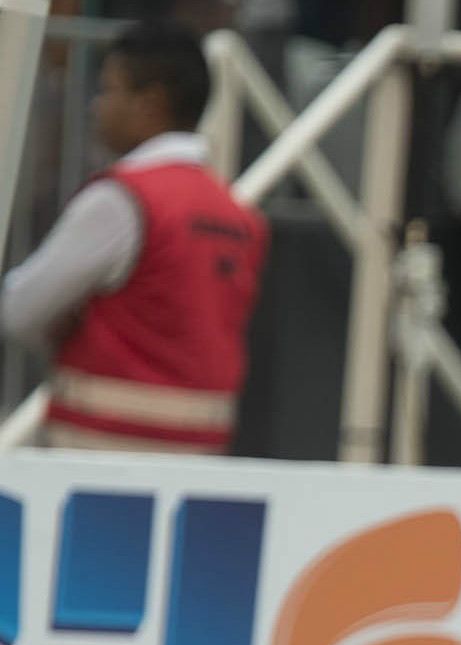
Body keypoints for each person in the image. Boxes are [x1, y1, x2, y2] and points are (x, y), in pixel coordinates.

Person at [0, 20, 268, 454]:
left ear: (151, 103)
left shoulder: (122, 200)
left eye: (108, 90)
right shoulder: (239, 217)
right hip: (200, 458)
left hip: (96, 452)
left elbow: (21, 310)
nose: (96, 106)